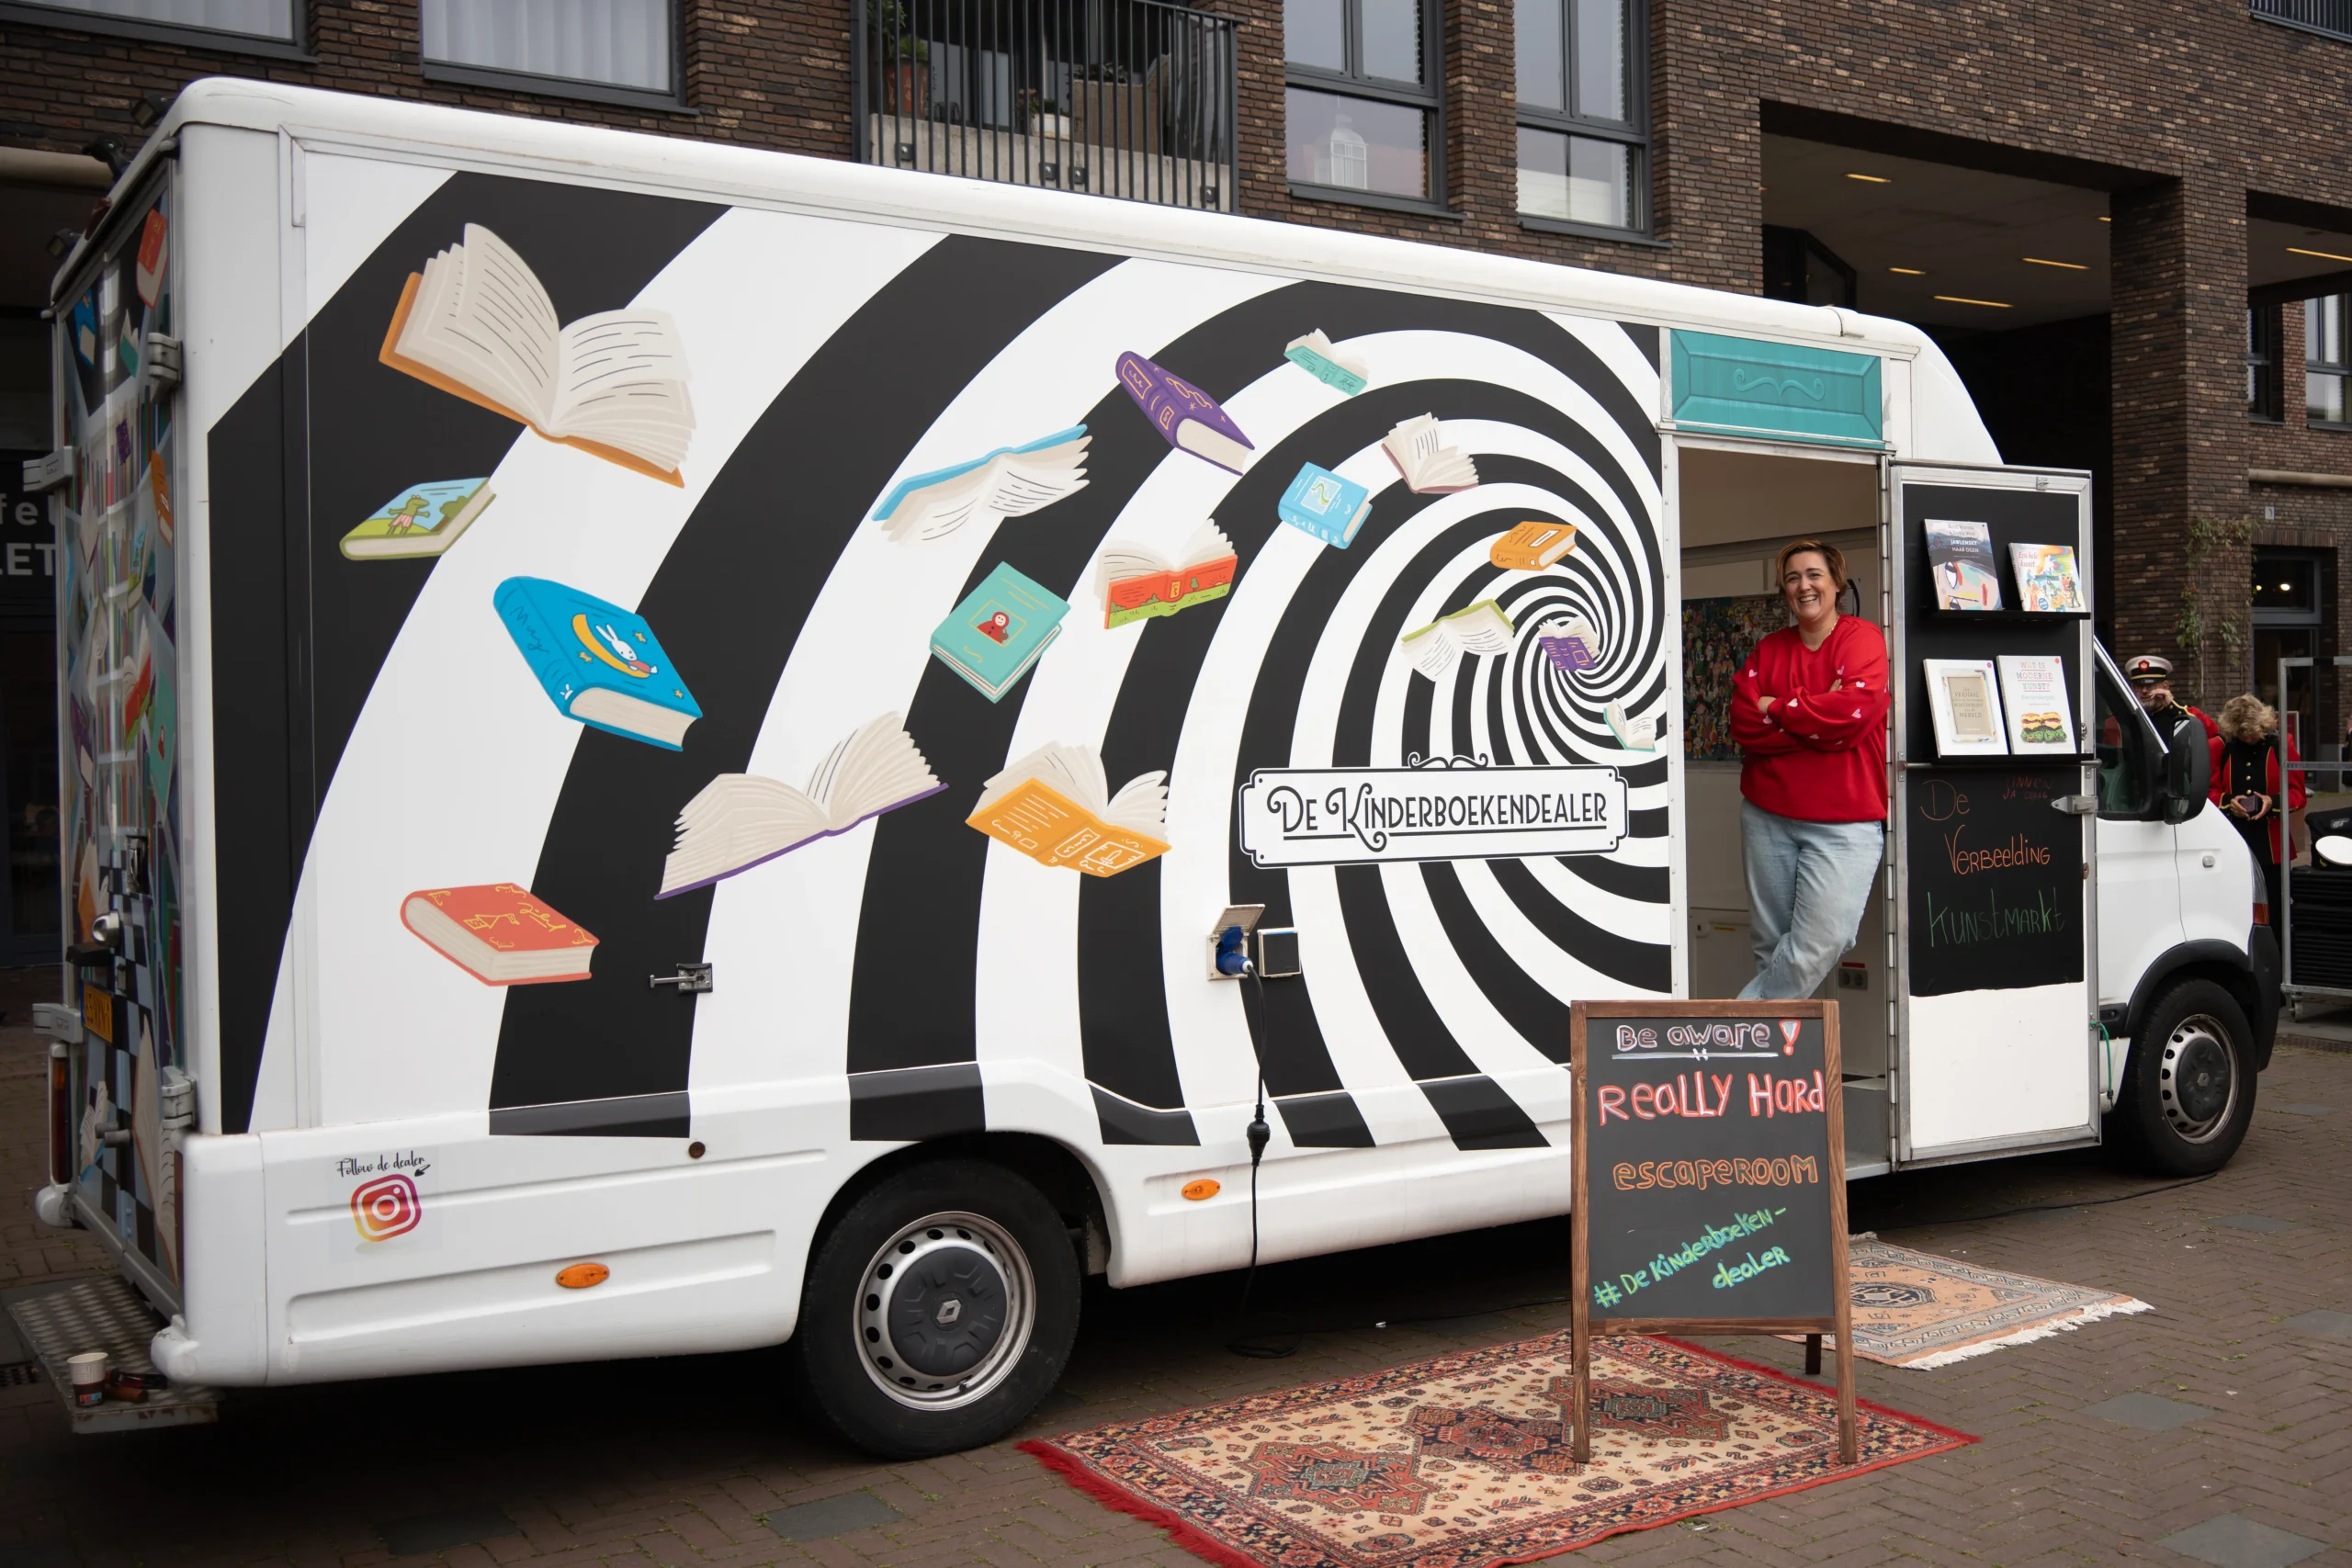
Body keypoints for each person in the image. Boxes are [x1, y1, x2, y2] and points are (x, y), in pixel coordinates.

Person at [1728, 540, 1891, 1000]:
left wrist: (1775, 708)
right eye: (1794, 578)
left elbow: (1852, 717)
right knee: (1772, 948)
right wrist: (1812, 715)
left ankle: (1737, 1033)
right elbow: (1743, 723)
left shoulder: (1862, 640)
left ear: (1837, 583)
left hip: (1844, 824)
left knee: (1821, 943)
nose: (1804, 586)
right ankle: (1778, 1068)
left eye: (1815, 574)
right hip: (1767, 815)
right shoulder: (1770, 649)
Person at [2209, 694, 2305, 919]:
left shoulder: (2281, 744)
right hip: (2232, 839)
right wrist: (2227, 801)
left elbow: (2298, 793)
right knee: (2235, 906)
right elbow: (2209, 792)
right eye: (2242, 733)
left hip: (2272, 843)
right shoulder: (2219, 746)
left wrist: (2273, 802)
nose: (2249, 738)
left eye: (2252, 732)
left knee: (2276, 909)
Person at [2123, 654, 2219, 747]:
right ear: (2133, 688)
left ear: (2165, 686)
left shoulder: (2178, 712)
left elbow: (2213, 733)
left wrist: (2173, 706)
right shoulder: (2127, 716)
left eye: (2150, 685)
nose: (2144, 691)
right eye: (2139, 686)